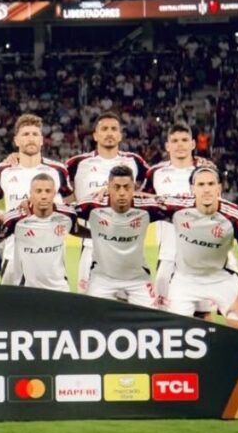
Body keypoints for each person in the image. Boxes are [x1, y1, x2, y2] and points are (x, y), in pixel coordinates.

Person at [162, 166, 238, 331]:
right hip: (185, 279)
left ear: (219, 188)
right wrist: (108, 195)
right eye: (201, 185)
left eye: (211, 184)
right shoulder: (177, 208)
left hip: (221, 278)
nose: (206, 189)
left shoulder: (235, 217)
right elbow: (144, 202)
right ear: (192, 189)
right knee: (175, 332)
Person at [65, 112, 148, 292]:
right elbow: (61, 193)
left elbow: (152, 190)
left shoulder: (134, 161)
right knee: (89, 305)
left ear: (120, 135)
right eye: (104, 129)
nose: (109, 133)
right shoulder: (78, 163)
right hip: (91, 244)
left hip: (127, 245)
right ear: (95, 135)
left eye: (114, 129)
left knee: (131, 307)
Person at [142, 123, 219, 308]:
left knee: (203, 312)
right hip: (168, 252)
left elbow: (217, 207)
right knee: (163, 309)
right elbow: (142, 199)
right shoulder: (156, 173)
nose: (180, 145)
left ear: (193, 144)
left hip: (201, 252)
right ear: (167, 146)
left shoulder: (206, 170)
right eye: (174, 141)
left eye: (184, 140)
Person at [0, 113, 72, 283]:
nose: (31, 138)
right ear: (16, 140)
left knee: (52, 305)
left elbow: (70, 200)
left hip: (50, 251)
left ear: (42, 140)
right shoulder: (3, 170)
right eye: (25, 134)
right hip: (13, 252)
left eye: (35, 134)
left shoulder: (58, 170)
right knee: (11, 306)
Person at [76, 166, 165, 306]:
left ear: (134, 188)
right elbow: (64, 215)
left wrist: (150, 196)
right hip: (102, 278)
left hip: (138, 278)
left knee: (152, 320)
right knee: (94, 320)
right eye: (116, 187)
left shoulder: (147, 208)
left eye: (127, 187)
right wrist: (90, 234)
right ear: (108, 187)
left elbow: (176, 205)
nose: (122, 193)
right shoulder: (92, 205)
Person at [0, 173, 77, 292]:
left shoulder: (68, 215)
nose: (44, 195)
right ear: (30, 194)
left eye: (48, 191)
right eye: (38, 191)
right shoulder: (16, 219)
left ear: (54, 193)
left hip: (59, 287)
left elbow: (83, 221)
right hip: (27, 288)